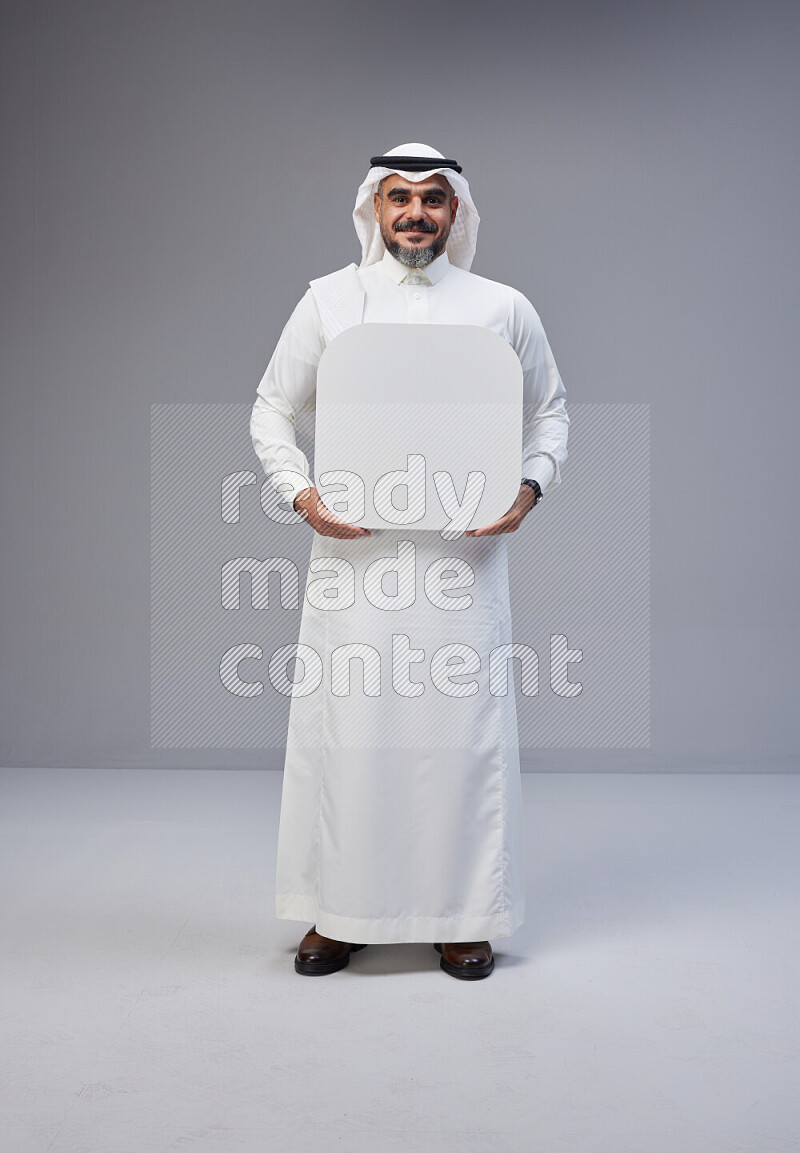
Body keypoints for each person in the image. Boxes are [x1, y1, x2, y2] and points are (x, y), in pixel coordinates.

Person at [249, 143, 569, 980]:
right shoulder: (329, 301)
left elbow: (551, 411)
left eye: (433, 197)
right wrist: (302, 494)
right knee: (351, 736)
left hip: (462, 570)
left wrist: (528, 491)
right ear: (374, 208)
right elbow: (271, 409)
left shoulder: (503, 307)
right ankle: (339, 913)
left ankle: (464, 915)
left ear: (456, 211)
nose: (416, 212)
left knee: (458, 740)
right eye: (399, 197)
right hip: (354, 569)